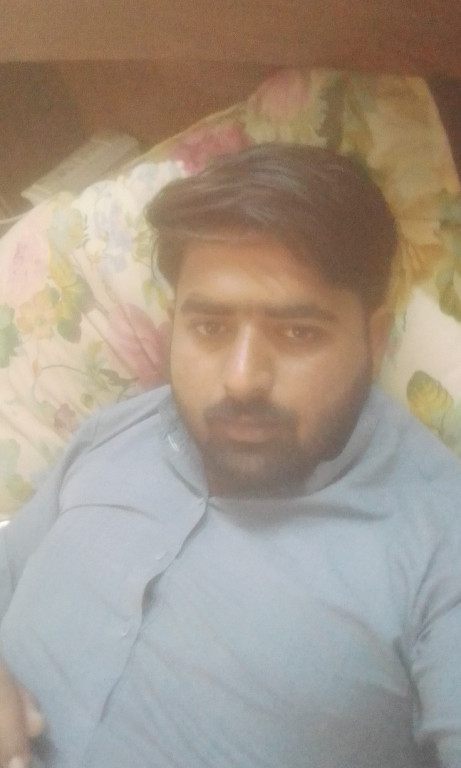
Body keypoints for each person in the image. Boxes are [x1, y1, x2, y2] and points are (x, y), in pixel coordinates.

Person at [0, 143, 461, 768]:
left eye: (298, 332)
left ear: (373, 340)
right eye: (210, 327)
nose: (242, 379)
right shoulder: (115, 432)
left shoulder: (440, 545)